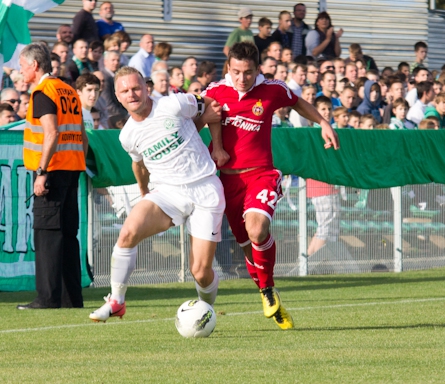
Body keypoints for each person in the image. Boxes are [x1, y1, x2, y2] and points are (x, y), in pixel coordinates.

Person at [204, 42, 339, 329]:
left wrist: (323, 123)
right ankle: (269, 294)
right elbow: (194, 115)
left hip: (261, 175)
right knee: (247, 247)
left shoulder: (272, 90)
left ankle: (266, 290)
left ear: (258, 70)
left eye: (249, 72)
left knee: (256, 229)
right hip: (227, 182)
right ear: (228, 67)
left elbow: (297, 102)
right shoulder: (214, 92)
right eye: (237, 71)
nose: (242, 78)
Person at [88, 67, 225, 321]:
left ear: (146, 87)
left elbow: (212, 105)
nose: (132, 94)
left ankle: (206, 311)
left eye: (136, 88)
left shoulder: (174, 104)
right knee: (127, 232)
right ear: (117, 96)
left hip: (204, 188)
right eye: (125, 91)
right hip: (168, 193)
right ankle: (116, 301)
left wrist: (216, 145)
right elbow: (138, 164)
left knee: (201, 271)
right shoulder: (127, 135)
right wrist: (143, 192)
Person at [17, 44, 88, 310]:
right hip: (72, 168)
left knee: (47, 235)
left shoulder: (42, 92)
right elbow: (81, 134)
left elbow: (51, 132)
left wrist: (41, 172)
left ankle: (47, 298)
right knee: (68, 236)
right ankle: (72, 299)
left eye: (23, 66)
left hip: (53, 170)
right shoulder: (68, 90)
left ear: (35, 66)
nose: (21, 70)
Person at [99, 50, 125, 125]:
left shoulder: (117, 76)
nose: (116, 63)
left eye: (118, 60)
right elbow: (108, 103)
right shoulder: (104, 77)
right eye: (113, 60)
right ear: (105, 62)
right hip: (112, 117)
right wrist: (124, 113)